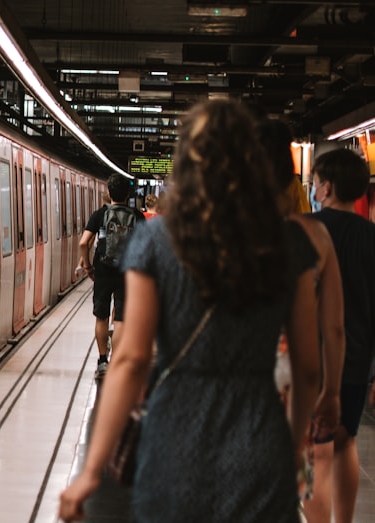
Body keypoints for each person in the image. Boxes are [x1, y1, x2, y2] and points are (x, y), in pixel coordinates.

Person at [60, 101, 320, 522]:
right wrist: (291, 447)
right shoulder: (289, 243)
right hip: (261, 443)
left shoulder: (157, 240)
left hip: (174, 442)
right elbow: (309, 368)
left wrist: (92, 471)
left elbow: (130, 360)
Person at [258, 120, 345, 509]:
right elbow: (331, 330)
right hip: (286, 392)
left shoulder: (207, 236)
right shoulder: (314, 237)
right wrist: (329, 394)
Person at [304, 147, 375, 523]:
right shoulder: (372, 237)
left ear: (326, 187)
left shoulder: (305, 229)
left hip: (312, 354)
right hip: (359, 356)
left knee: (317, 450)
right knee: (346, 442)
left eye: (314, 183)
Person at [78, 174, 145, 377]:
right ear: (128, 193)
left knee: (102, 317)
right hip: (128, 272)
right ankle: (117, 361)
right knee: (121, 319)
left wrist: (88, 266)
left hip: (104, 270)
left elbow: (83, 243)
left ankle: (102, 361)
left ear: (108, 192)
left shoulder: (100, 215)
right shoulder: (138, 216)